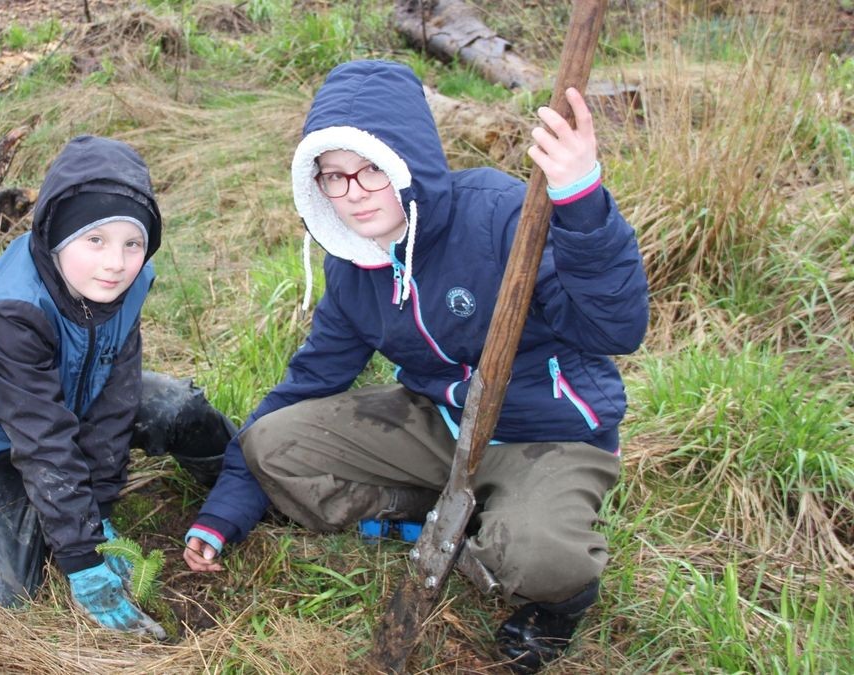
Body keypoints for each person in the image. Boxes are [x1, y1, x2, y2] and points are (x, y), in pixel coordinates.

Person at [182, 60, 649, 673]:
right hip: (441, 424)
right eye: (333, 177)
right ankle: (447, 508)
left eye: (372, 168)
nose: (354, 193)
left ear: (409, 160)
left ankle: (552, 598)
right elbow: (308, 384)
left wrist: (581, 204)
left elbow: (617, 329)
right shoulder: (354, 265)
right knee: (272, 445)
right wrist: (225, 509)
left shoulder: (503, 215)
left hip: (550, 436)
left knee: (540, 559)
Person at [0, 135, 234, 639]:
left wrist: (99, 509)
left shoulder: (129, 281)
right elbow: (42, 441)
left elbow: (115, 397)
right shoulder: (11, 314)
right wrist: (83, 558)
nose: (115, 264)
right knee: (5, 593)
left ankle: (248, 490)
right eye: (95, 241)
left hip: (71, 401)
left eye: (133, 243)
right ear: (57, 236)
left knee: (178, 408)